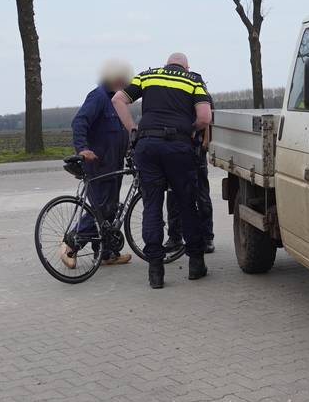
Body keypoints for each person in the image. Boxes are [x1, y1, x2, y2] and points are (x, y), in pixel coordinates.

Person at [111, 53, 211, 289]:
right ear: (185, 66)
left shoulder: (148, 75)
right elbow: (205, 117)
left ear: (166, 64)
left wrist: (133, 129)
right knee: (187, 203)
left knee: (152, 205)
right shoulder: (192, 80)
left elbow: (118, 100)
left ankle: (155, 271)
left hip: (148, 146)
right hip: (178, 147)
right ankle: (196, 264)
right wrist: (191, 128)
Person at [62, 60, 133, 268]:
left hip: (114, 165)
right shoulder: (98, 97)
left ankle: (106, 253)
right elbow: (80, 122)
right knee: (100, 209)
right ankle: (70, 244)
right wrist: (83, 149)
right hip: (99, 165)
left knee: (110, 210)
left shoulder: (116, 100)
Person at [166, 90, 214, 254]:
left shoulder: (200, 93)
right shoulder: (170, 94)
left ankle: (207, 237)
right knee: (173, 195)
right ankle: (175, 237)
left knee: (201, 196)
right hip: (176, 148)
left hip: (196, 149)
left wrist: (205, 142)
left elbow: (207, 121)